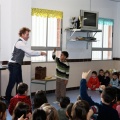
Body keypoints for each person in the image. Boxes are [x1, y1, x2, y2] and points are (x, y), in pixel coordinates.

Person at [5, 27, 46, 102]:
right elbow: (30, 52)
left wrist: (39, 54)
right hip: (14, 65)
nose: (28, 36)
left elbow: (28, 54)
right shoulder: (20, 43)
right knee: (12, 83)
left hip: (16, 65)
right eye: (27, 34)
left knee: (20, 83)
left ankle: (19, 99)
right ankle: (7, 100)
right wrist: (40, 53)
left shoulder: (22, 43)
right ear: (22, 34)